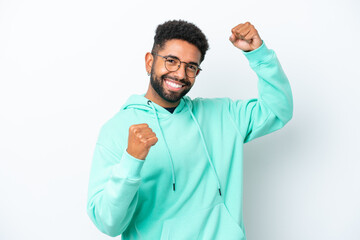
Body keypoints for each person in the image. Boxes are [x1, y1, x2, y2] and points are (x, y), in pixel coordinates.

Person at [87, 20, 293, 240]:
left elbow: (278, 109)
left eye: (191, 66)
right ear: (149, 62)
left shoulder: (223, 115)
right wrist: (131, 160)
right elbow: (108, 223)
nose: (180, 74)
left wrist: (258, 55)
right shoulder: (117, 129)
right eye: (171, 61)